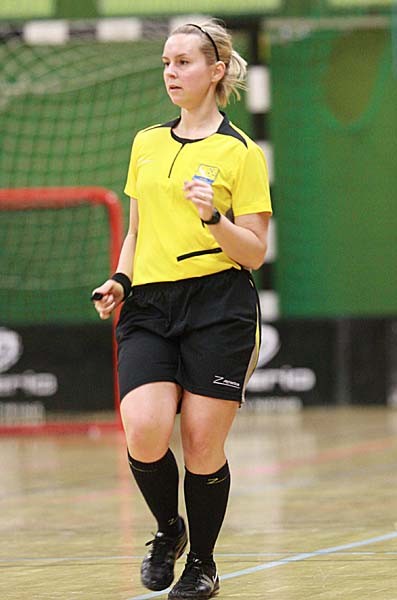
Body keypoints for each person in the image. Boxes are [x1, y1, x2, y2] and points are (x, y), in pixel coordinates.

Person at [92, 19, 272, 600]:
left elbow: (255, 252)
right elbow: (136, 232)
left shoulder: (241, 153)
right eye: (167, 63)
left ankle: (204, 564)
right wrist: (120, 279)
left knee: (199, 441)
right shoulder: (146, 142)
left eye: (184, 62)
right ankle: (169, 530)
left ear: (216, 71)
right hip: (149, 303)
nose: (171, 72)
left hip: (219, 304)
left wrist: (213, 218)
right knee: (144, 429)